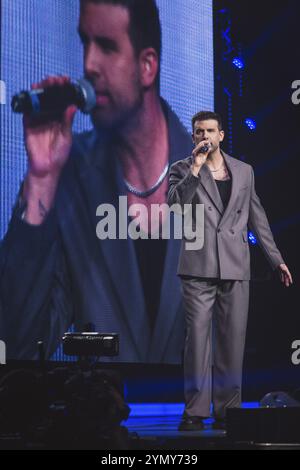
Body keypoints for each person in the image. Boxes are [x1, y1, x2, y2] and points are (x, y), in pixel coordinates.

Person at [0, 0, 193, 362]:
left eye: (106, 46)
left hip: (201, 419)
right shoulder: (71, 178)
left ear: (147, 66)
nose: (88, 65)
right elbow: (17, 345)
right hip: (101, 416)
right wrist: (42, 178)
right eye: (85, 43)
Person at [167, 110, 293, 431]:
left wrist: (275, 258)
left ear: (221, 134)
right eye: (199, 132)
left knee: (232, 343)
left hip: (236, 266)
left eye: (210, 130)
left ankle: (227, 410)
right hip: (198, 268)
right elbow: (175, 206)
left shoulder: (244, 171)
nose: (205, 136)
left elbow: (258, 218)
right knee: (197, 342)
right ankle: (195, 411)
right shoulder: (182, 169)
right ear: (193, 137)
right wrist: (195, 169)